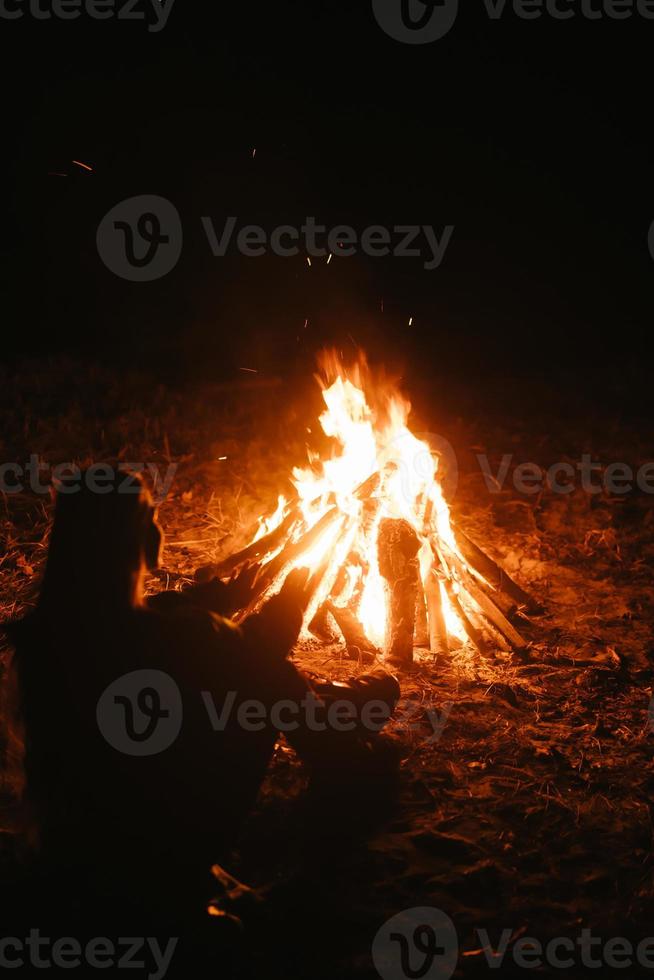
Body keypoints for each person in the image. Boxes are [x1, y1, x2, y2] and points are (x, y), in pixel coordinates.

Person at [5, 471, 400, 934]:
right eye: (151, 517)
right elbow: (249, 657)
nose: (159, 528)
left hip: (69, 857)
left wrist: (220, 600)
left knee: (247, 668)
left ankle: (345, 708)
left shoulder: (41, 640)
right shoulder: (187, 637)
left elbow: (156, 621)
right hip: (167, 856)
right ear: (146, 540)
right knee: (264, 671)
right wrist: (288, 605)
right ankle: (347, 757)